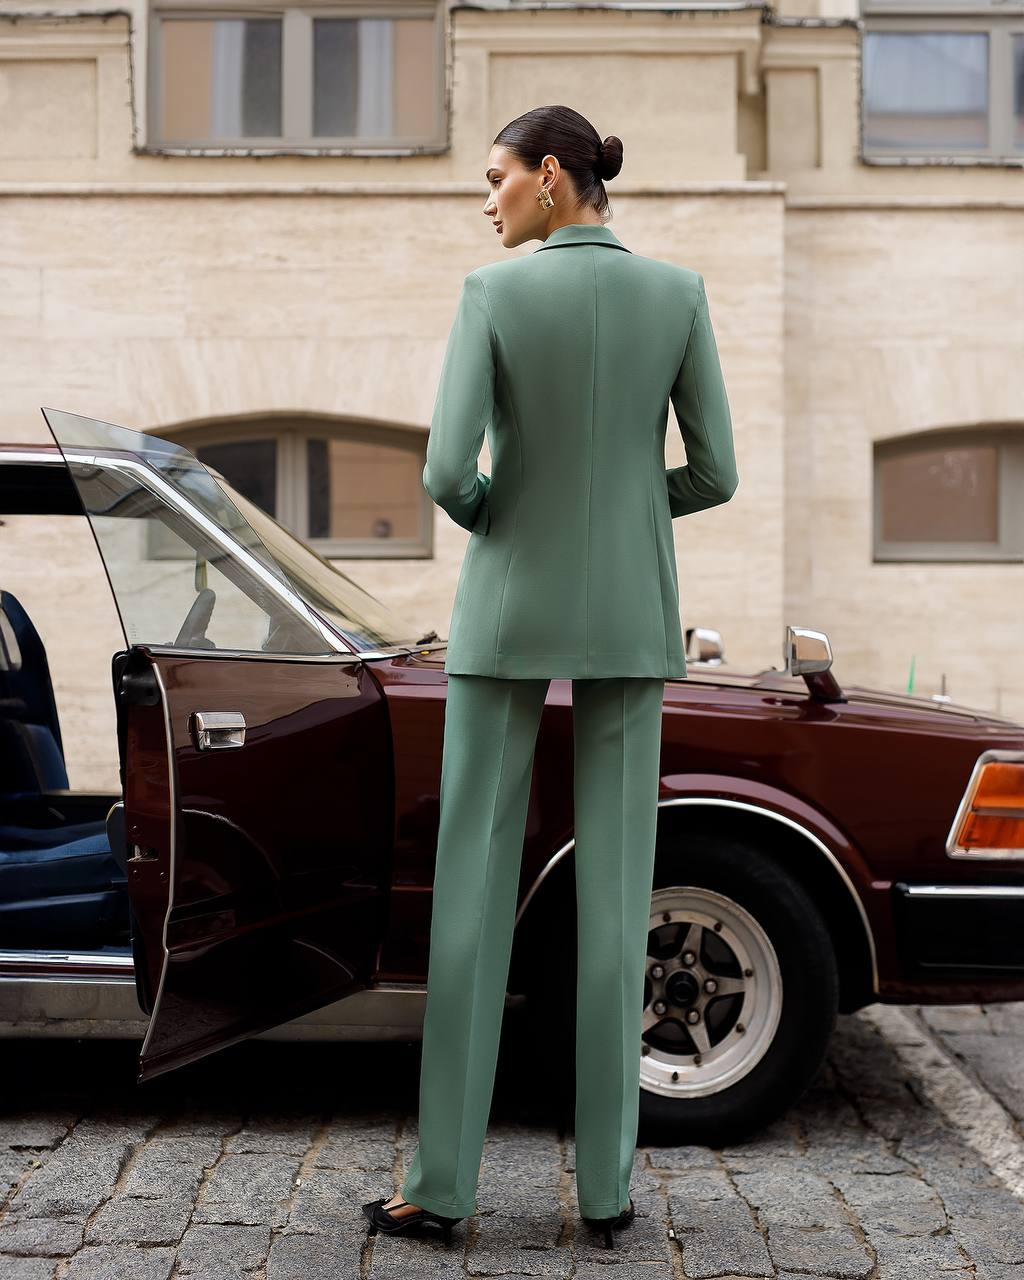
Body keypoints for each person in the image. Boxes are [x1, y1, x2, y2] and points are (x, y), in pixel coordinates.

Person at [363, 104, 738, 1251]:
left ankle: (439, 1185)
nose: (487, 200)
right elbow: (713, 472)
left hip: (505, 609)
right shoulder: (677, 293)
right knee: (618, 902)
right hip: (631, 613)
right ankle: (607, 1194)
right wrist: (629, 512)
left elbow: (442, 470)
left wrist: (504, 517)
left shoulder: (492, 294)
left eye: (496, 178)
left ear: (552, 177)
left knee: (470, 896)